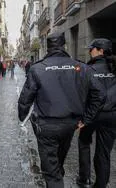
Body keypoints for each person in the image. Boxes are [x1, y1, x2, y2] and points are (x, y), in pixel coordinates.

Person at [18, 32, 106, 188]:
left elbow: (25, 99)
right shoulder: (81, 67)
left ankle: (55, 177)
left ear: (48, 47)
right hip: (69, 125)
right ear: (64, 45)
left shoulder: (37, 68)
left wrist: (23, 117)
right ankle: (57, 171)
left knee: (52, 172)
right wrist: (86, 119)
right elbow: (100, 94)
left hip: (45, 126)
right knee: (57, 159)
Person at [77, 38, 116, 188]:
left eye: (91, 49)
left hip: (91, 115)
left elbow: (81, 95)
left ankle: (84, 178)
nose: (89, 51)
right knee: (104, 152)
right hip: (111, 115)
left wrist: (82, 118)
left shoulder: (88, 69)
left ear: (100, 50)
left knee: (84, 143)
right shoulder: (113, 68)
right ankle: (101, 184)